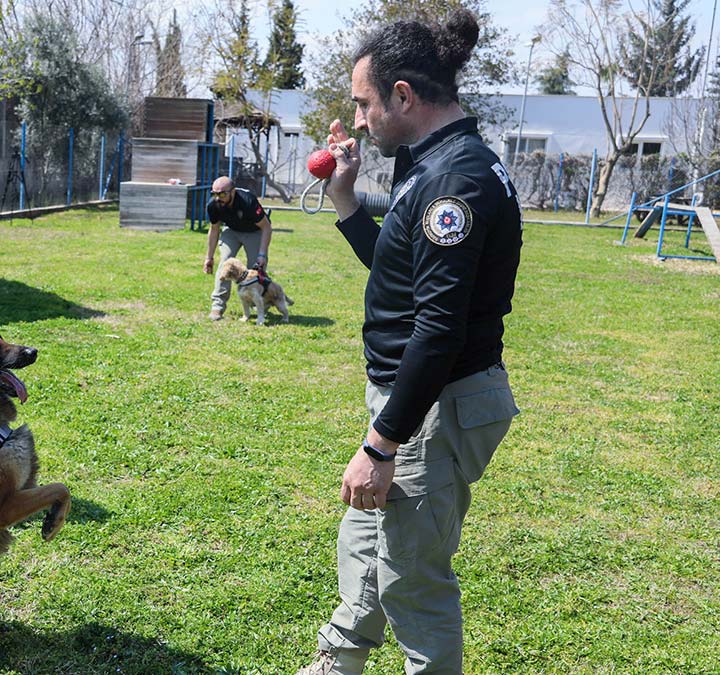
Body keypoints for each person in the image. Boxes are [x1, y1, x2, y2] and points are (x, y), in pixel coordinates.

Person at [298, 10, 522, 675]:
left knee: (412, 577)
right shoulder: (430, 163)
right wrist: (346, 200)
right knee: (366, 539)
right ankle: (340, 661)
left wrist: (381, 444)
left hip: (435, 403)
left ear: (402, 95)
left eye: (363, 104)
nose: (358, 120)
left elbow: (438, 328)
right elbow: (399, 276)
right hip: (418, 398)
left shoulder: (454, 181)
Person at [203, 176, 273, 320]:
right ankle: (217, 306)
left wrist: (262, 254)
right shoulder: (213, 205)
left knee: (257, 267)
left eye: (222, 194)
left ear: (233, 191)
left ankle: (260, 303)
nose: (218, 198)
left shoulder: (248, 201)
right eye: (214, 194)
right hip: (232, 230)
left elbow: (266, 227)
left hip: (254, 231)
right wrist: (209, 257)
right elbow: (214, 229)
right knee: (225, 263)